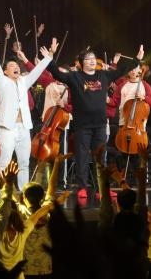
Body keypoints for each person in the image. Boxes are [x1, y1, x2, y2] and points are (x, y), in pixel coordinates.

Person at [46, 40, 144, 198]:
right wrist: (50, 58)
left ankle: (101, 188)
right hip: (82, 125)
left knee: (100, 157)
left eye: (93, 58)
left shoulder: (103, 75)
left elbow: (122, 70)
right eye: (88, 59)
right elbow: (57, 74)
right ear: (81, 63)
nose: (92, 61)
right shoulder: (75, 77)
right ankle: (82, 187)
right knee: (82, 156)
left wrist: (137, 59)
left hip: (100, 124)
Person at [0, 35, 52, 194]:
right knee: (5, 163)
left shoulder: (23, 82)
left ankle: (23, 195)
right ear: (6, 71)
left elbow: (37, 71)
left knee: (24, 163)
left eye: (16, 65)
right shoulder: (2, 82)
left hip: (24, 127)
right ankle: (0, 198)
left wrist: (49, 56)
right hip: (8, 128)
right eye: (11, 65)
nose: (15, 67)